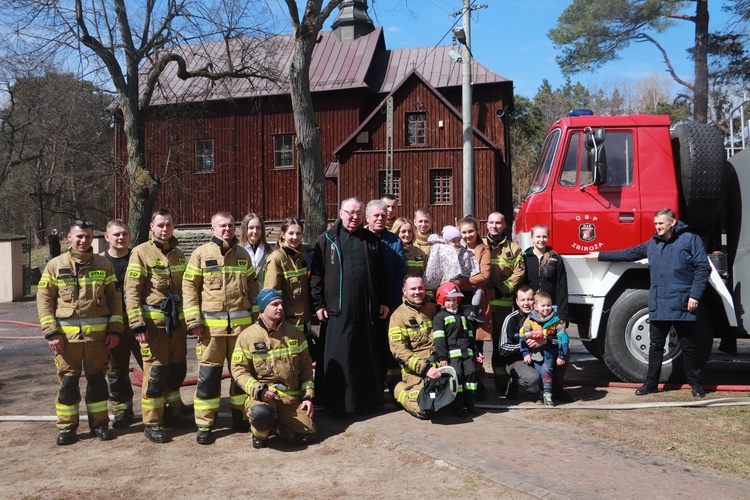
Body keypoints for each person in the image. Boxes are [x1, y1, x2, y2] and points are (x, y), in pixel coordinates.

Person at [589, 208, 711, 398]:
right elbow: (628, 253)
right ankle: (651, 384)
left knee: (689, 346)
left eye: (661, 223)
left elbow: (703, 268)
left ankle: (695, 385)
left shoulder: (690, 240)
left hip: (682, 302)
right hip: (659, 302)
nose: (657, 227)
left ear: (672, 222)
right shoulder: (652, 244)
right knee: (655, 346)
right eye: (655, 224)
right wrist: (599, 255)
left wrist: (695, 295)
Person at [37, 219, 122, 445]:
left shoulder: (104, 265)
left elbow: (115, 300)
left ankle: (100, 424)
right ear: (69, 237)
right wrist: (51, 333)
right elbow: (44, 301)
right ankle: (66, 427)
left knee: (97, 383)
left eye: (87, 236)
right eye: (79, 236)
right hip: (66, 341)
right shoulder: (55, 265)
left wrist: (115, 330)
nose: (83, 240)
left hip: (97, 340)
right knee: (67, 385)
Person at [183, 211, 260, 444]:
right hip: (210, 332)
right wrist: (193, 321)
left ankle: (240, 418)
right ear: (212, 228)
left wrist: (258, 322)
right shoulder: (200, 254)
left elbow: (253, 288)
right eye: (222, 226)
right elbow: (189, 289)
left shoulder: (242, 254)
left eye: (231, 225)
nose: (227, 229)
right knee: (208, 378)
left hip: (241, 331)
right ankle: (205, 425)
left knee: (241, 376)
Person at [310, 196, 389, 415]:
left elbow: (382, 275)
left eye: (358, 213)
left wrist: (383, 301)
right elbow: (316, 277)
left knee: (365, 354)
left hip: (366, 310)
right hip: (337, 310)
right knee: (340, 355)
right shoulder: (326, 240)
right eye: (350, 213)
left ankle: (366, 401)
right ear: (340, 213)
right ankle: (336, 403)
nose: (354, 217)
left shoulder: (371, 241)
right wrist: (318, 304)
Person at [125, 209, 188, 444]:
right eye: (160, 225)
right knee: (156, 374)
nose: (165, 229)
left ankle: (173, 412)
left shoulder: (180, 254)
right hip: (153, 328)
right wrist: (137, 325)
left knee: (176, 371)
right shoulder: (140, 253)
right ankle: (152, 422)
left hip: (177, 328)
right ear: (152, 226)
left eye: (169, 225)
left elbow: (187, 291)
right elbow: (132, 292)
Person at [230, 289, 315, 449]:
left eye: (281, 304)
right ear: (263, 309)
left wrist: (307, 397)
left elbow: (305, 369)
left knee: (306, 435)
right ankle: (260, 434)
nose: (280, 308)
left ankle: (277, 426)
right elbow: (239, 371)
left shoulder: (295, 334)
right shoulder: (247, 337)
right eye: (275, 304)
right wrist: (258, 390)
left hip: (290, 399)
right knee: (261, 414)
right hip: (263, 398)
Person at [103, 219, 143, 428]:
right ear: (107, 237)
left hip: (139, 325)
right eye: (116, 234)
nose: (121, 238)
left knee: (153, 368)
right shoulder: (100, 263)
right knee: (117, 373)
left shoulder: (138, 259)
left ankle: (160, 408)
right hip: (113, 328)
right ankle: (122, 411)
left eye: (124, 234)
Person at [366, 199, 407, 392]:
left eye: (383, 215)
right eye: (376, 215)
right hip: (365, 303)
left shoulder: (394, 241)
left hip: (387, 304)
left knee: (385, 346)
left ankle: (387, 384)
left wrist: (391, 303)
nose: (380, 219)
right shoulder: (360, 237)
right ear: (368, 218)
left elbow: (400, 274)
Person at [388, 276, 440, 419]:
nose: (417, 292)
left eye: (420, 288)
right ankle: (397, 389)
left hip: (440, 366)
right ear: (404, 291)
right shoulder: (398, 317)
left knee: (455, 402)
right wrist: (425, 368)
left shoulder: (433, 308)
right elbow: (399, 351)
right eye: (413, 289)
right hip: (417, 371)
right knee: (425, 409)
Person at [484, 212, 525, 392]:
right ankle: (476, 385)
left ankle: (502, 384)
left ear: (504, 225)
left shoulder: (514, 249)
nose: (495, 226)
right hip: (481, 308)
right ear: (486, 225)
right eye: (491, 223)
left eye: (498, 223)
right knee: (476, 346)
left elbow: (519, 274)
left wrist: (500, 289)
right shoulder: (479, 245)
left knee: (500, 348)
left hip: (502, 308)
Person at [263, 217, 315, 356]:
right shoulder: (276, 258)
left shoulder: (302, 257)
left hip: (304, 322)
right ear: (282, 234)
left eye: (298, 233)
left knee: (304, 365)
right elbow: (271, 294)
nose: (295, 237)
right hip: (286, 324)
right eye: (291, 233)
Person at [433, 282, 483, 415]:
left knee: (472, 373)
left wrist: (477, 353)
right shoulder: (439, 317)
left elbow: (470, 335)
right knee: (458, 377)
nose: (451, 303)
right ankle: (457, 406)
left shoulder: (463, 315)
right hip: (452, 355)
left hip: (468, 353)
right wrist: (442, 357)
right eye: (448, 300)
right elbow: (439, 339)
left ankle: (470, 403)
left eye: (454, 300)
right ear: (442, 300)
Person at [423, 225, 485, 323]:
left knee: (477, 288)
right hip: (448, 284)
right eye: (453, 241)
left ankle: (474, 310)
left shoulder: (459, 250)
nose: (457, 243)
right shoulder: (444, 249)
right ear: (447, 240)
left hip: (457, 283)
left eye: (458, 240)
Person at [519, 291, 569, 406]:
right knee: (540, 373)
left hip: (550, 352)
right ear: (535, 306)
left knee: (547, 370)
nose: (546, 308)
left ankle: (548, 394)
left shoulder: (557, 321)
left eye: (549, 305)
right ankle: (541, 393)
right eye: (543, 305)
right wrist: (525, 353)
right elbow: (522, 337)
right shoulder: (530, 320)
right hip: (536, 353)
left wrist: (561, 355)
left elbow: (564, 339)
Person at [523, 224, 569, 323]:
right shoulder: (525, 258)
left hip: (550, 308)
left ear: (548, 238)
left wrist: (562, 314)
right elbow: (521, 285)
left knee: (549, 337)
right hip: (530, 308)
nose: (541, 239)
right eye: (538, 236)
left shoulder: (556, 259)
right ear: (531, 238)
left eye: (544, 236)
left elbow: (562, 286)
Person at [240, 212, 272, 284]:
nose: (255, 231)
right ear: (245, 229)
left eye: (258, 228)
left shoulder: (270, 250)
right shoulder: (238, 250)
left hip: (264, 293)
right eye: (251, 228)